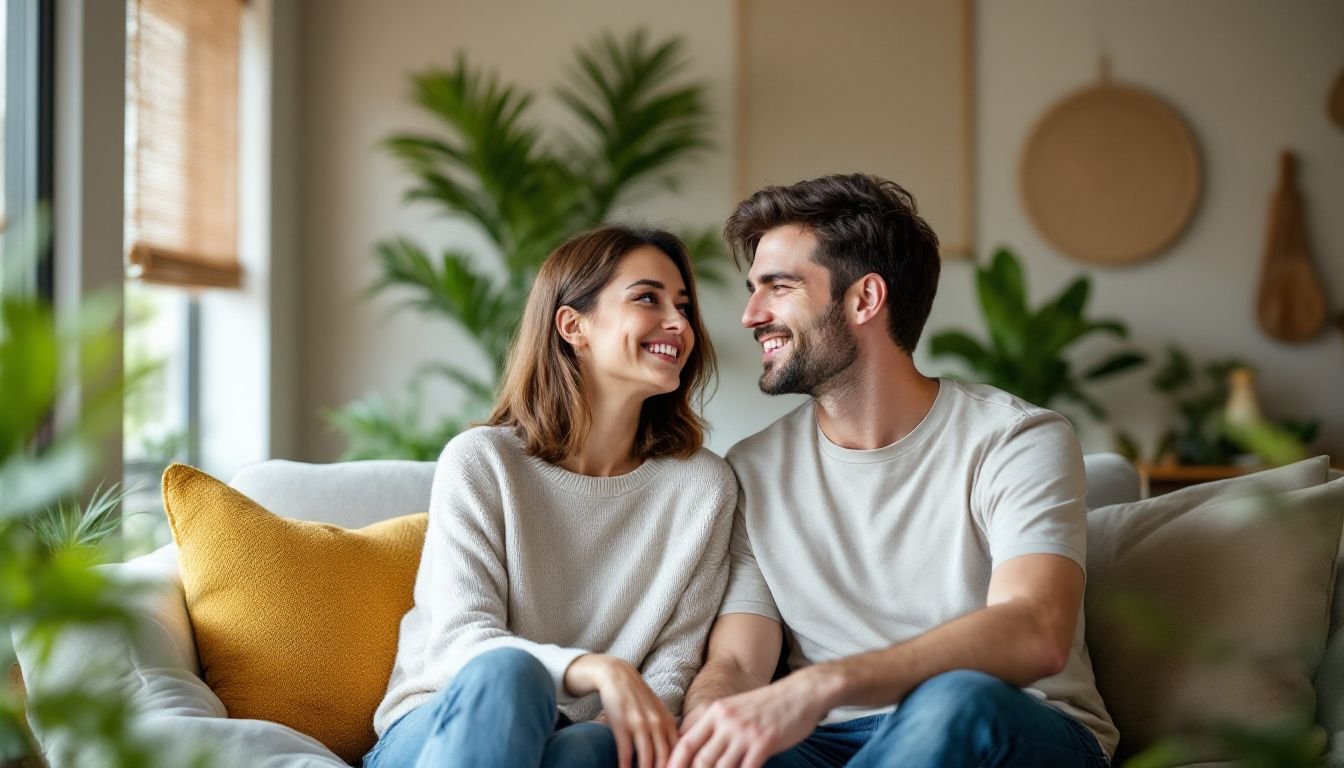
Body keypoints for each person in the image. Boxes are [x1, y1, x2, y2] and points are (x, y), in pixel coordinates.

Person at [668, 174, 1117, 768]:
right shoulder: (752, 468)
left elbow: (1034, 628)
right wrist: (709, 724)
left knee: (957, 700)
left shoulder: (1014, 439)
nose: (751, 314)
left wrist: (819, 685)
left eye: (778, 287)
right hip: (830, 745)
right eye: (754, 289)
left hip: (1011, 726)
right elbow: (739, 664)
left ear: (864, 299)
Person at [366, 224, 737, 768]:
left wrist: (612, 726)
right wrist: (594, 668)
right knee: (511, 674)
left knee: (589, 746)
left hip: (577, 743)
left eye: (683, 305)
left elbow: (674, 667)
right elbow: (460, 642)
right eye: (647, 299)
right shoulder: (482, 462)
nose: (679, 324)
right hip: (441, 726)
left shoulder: (703, 487)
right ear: (573, 326)